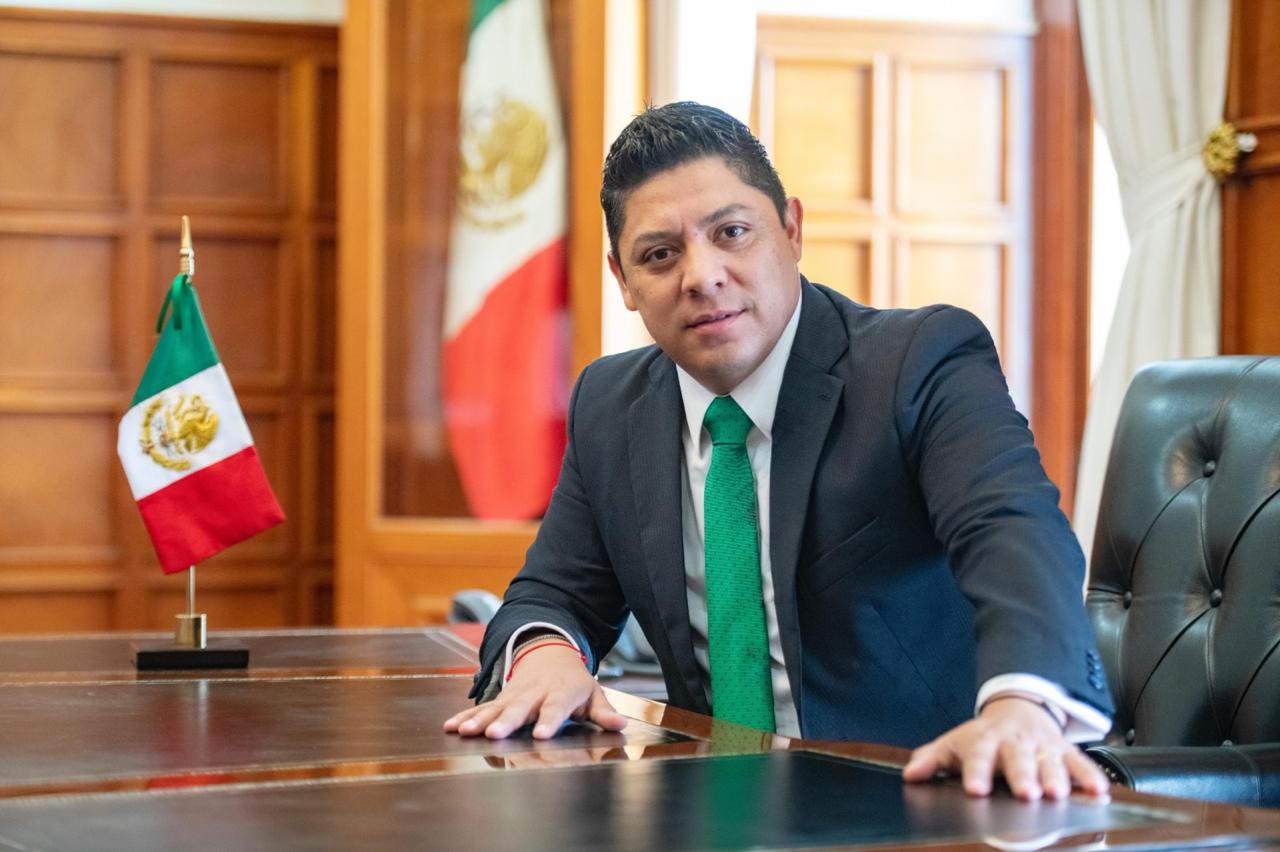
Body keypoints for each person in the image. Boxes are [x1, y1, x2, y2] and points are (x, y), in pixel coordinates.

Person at [445, 102, 1114, 801]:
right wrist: (546, 654)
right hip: (711, 808)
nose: (702, 276)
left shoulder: (917, 362)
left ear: (792, 230)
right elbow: (554, 593)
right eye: (660, 254)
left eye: (732, 233)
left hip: (924, 797)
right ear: (623, 280)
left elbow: (1012, 533)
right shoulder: (611, 405)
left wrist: (1022, 707)